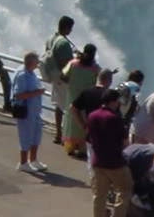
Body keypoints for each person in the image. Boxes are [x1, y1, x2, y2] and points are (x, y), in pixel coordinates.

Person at [87, 88, 133, 217]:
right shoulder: (115, 118)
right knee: (125, 190)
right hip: (115, 163)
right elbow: (125, 142)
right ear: (113, 101)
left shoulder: (92, 115)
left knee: (99, 195)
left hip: (97, 161)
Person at [11, 51, 48, 173]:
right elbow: (18, 95)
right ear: (31, 62)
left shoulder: (31, 73)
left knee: (36, 135)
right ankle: (23, 163)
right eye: (37, 62)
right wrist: (37, 92)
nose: (38, 64)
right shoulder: (22, 75)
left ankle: (33, 160)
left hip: (35, 110)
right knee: (26, 136)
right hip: (26, 111)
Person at [61, 44, 100, 156]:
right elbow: (100, 82)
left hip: (72, 96)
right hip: (87, 99)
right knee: (84, 121)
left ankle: (70, 147)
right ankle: (82, 149)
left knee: (71, 121)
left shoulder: (73, 64)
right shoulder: (95, 68)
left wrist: (71, 83)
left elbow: (62, 76)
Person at [70, 67, 117, 161]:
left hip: (90, 133)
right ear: (110, 80)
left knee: (91, 162)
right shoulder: (111, 96)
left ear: (98, 77)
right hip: (106, 136)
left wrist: (83, 125)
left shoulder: (87, 92)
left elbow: (73, 108)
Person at [44, 15, 75, 144]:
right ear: (67, 27)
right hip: (63, 79)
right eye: (71, 28)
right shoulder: (64, 43)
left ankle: (58, 134)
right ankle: (65, 137)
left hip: (54, 76)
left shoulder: (51, 39)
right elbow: (66, 64)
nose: (71, 30)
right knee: (69, 107)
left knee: (58, 106)